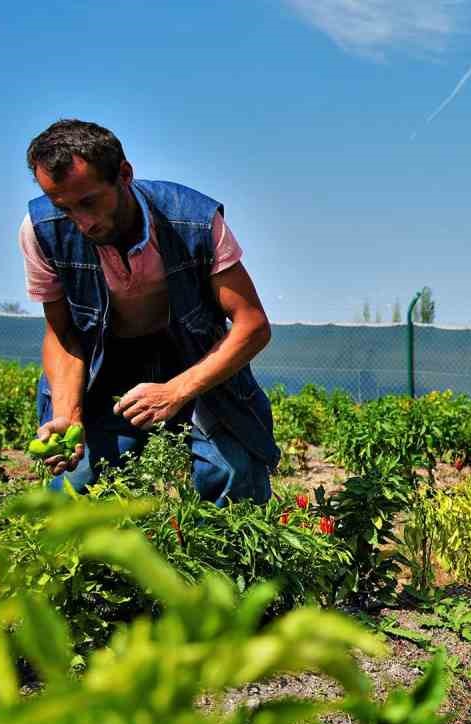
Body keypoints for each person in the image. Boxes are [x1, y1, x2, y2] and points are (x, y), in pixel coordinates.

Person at [18, 119, 279, 503]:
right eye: (65, 207)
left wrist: (175, 390)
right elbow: (64, 334)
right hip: (103, 366)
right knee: (75, 490)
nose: (82, 222)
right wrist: (69, 415)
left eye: (89, 201)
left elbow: (252, 325)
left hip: (193, 358)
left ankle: (229, 563)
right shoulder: (40, 230)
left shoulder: (194, 220)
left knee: (232, 474)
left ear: (124, 174)